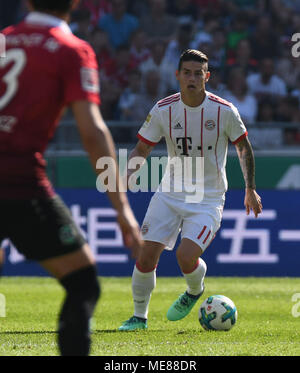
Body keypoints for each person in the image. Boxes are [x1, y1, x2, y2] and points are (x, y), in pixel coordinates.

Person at [0, 0, 142, 355]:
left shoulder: (4, 39)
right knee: (82, 284)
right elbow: (92, 133)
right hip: (18, 183)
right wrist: (121, 208)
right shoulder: (72, 50)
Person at [118, 49, 262, 331]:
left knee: (185, 257)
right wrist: (127, 175)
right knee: (145, 255)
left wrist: (250, 188)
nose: (192, 78)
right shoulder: (164, 109)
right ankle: (139, 317)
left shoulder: (224, 111)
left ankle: (195, 289)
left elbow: (243, 148)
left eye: (198, 73)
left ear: (207, 77)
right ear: (177, 76)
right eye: (187, 73)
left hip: (208, 198)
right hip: (169, 192)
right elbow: (143, 147)